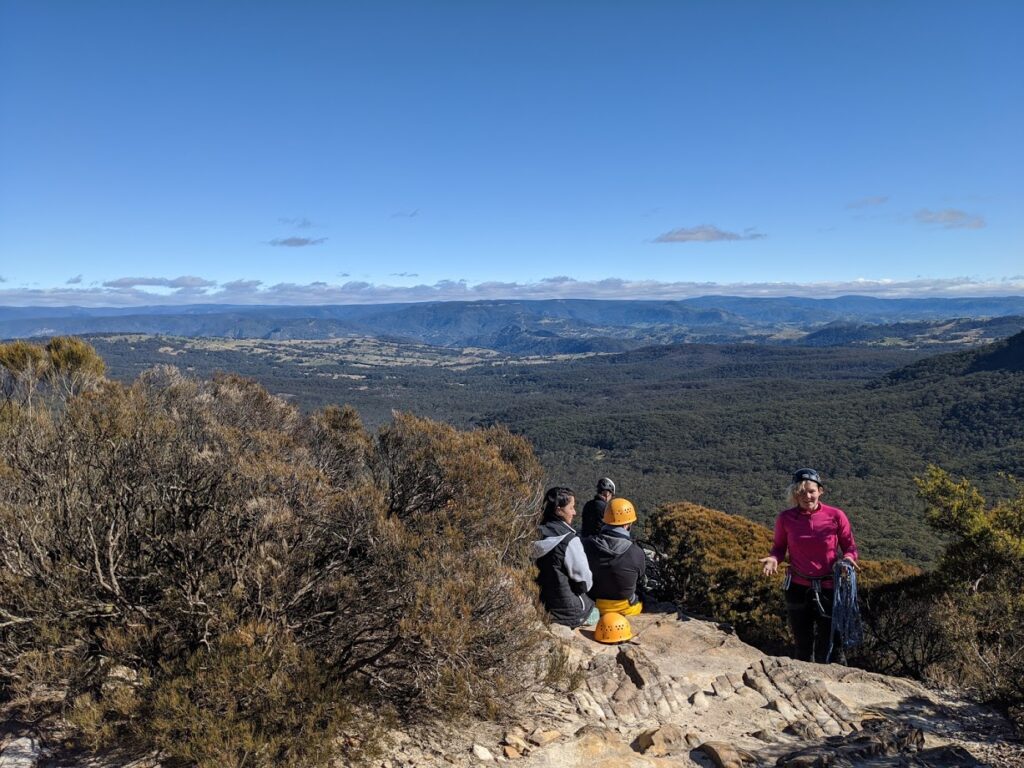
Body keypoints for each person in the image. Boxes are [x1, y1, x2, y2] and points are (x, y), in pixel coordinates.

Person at [760, 468, 859, 663]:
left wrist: (848, 559)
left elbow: (850, 546)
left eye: (811, 491)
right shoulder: (785, 518)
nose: (807, 496)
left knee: (832, 646)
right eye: (801, 492)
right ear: (795, 494)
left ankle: (836, 686)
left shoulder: (836, 516)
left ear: (820, 491)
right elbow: (779, 547)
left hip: (830, 588)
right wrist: (773, 559)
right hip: (797, 588)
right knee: (802, 646)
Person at [532, 486, 599, 628]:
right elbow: (585, 582)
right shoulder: (569, 541)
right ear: (558, 510)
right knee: (595, 612)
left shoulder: (532, 535)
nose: (574, 512)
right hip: (567, 613)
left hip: (539, 603)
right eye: (571, 508)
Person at [583, 497, 646, 616]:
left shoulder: (585, 545)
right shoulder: (636, 552)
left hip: (593, 606)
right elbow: (640, 578)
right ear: (628, 524)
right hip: (625, 608)